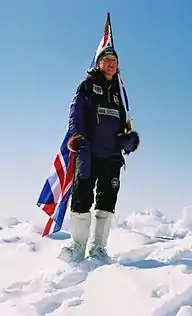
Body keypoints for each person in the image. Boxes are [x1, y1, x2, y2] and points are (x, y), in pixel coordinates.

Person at [62, 46, 139, 263]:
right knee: (81, 198)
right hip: (89, 153)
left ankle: (98, 249)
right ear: (98, 63)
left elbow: (123, 125)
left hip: (112, 157)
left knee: (107, 201)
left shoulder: (120, 93)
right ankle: (77, 247)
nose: (111, 63)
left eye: (114, 60)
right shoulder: (87, 86)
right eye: (106, 59)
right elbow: (76, 113)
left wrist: (129, 140)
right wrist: (77, 136)